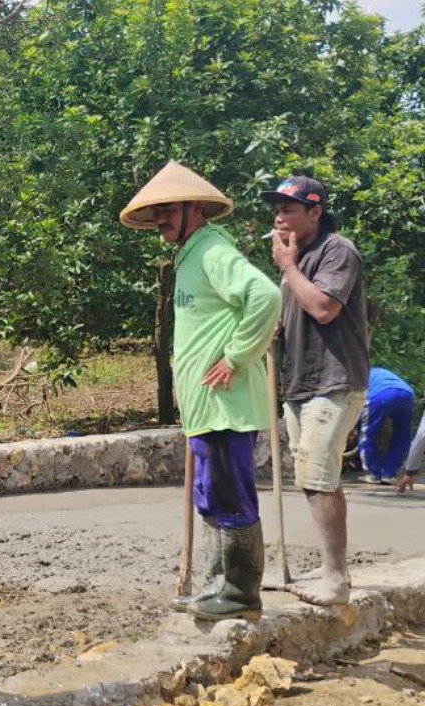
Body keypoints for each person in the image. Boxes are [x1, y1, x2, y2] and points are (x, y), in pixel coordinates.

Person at [121, 161, 281, 621]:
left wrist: (236, 357)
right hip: (207, 409)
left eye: (169, 210)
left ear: (195, 209)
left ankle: (240, 593)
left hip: (226, 405)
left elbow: (266, 295)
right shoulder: (191, 255)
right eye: (157, 213)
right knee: (212, 495)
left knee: (230, 496)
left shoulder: (212, 251)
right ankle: (215, 588)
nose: (160, 220)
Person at [265, 175, 369, 607]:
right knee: (315, 478)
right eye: (276, 210)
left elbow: (325, 309)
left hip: (334, 378)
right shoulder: (298, 259)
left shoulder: (336, 251)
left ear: (315, 212)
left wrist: (288, 268)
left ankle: (336, 578)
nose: (279, 218)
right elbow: (292, 317)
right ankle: (332, 570)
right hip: (300, 382)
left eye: (288, 209)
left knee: (317, 476)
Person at [358, 367, 415, 485]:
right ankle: (389, 474)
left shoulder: (359, 374)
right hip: (407, 394)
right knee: (403, 435)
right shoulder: (378, 371)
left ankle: (373, 474)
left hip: (381, 395)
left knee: (367, 434)